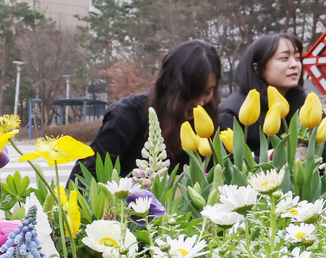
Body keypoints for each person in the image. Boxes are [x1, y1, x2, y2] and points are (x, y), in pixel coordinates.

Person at [71, 40, 222, 182]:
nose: (200, 103)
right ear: (170, 86)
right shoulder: (126, 116)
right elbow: (83, 178)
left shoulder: (208, 121)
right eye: (191, 94)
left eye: (208, 92)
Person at [218, 33, 306, 146]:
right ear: (258, 68)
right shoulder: (232, 113)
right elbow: (231, 161)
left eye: (297, 58)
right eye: (284, 58)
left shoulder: (303, 103)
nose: (295, 64)